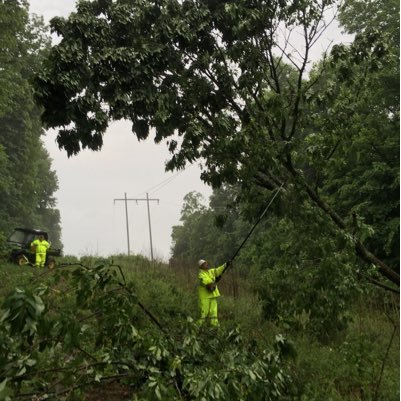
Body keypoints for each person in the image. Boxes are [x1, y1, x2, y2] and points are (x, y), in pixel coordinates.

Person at [197, 259, 231, 327]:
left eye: (206, 263)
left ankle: (214, 327)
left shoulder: (211, 271)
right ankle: (197, 327)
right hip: (205, 297)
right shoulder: (200, 274)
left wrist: (225, 265)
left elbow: (218, 270)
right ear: (201, 266)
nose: (206, 264)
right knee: (204, 313)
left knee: (214, 313)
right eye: (204, 264)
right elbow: (207, 283)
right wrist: (215, 281)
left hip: (213, 296)